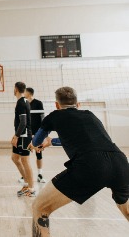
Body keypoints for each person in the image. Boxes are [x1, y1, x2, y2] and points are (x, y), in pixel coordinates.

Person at [29, 86, 128, 236]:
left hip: (91, 165)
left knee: (40, 207)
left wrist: (33, 144)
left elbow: (37, 140)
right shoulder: (90, 115)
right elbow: (89, 140)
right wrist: (53, 142)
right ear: (78, 104)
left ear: (57, 105)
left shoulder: (54, 116)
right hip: (120, 162)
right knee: (126, 210)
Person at [11, 82, 35, 197]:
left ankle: (31, 189)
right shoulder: (24, 101)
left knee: (25, 161)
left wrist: (16, 136)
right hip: (21, 135)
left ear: (15, 89)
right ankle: (26, 184)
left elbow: (23, 122)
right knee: (15, 158)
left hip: (24, 136)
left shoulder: (21, 103)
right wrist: (16, 134)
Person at [25, 87, 46, 183]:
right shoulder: (24, 103)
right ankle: (25, 176)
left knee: (39, 153)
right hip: (27, 132)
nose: (23, 93)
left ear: (29, 93)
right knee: (26, 154)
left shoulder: (38, 103)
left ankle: (40, 175)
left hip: (37, 133)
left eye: (25, 92)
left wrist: (43, 131)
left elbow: (42, 117)